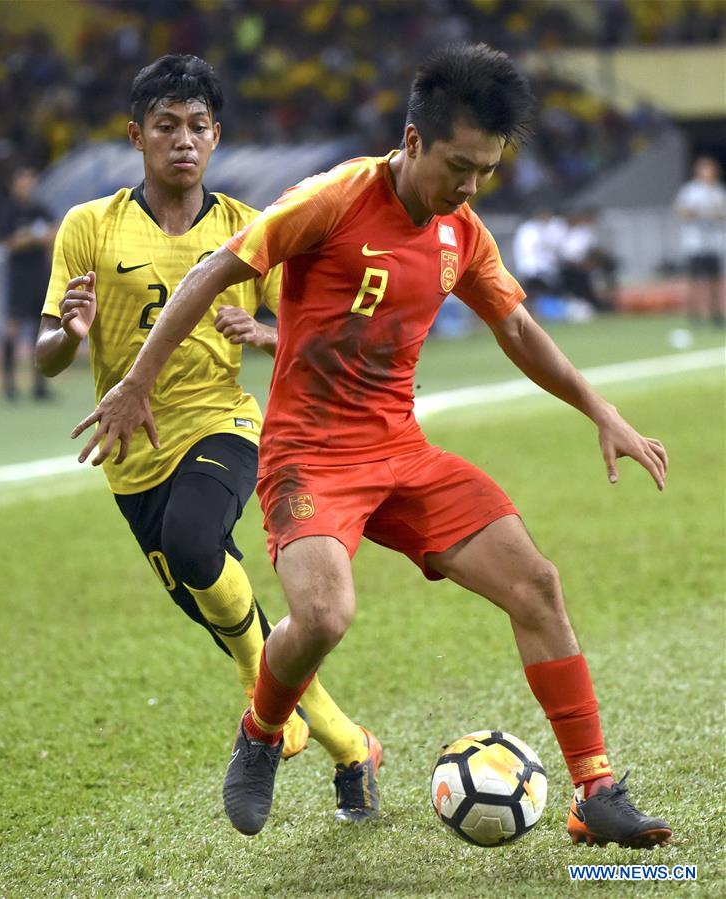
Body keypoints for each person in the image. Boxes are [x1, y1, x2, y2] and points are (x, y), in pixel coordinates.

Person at [72, 44, 671, 849]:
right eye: (458, 165)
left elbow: (518, 326)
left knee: (536, 584)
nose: (467, 187)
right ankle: (260, 730)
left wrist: (599, 408)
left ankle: (594, 790)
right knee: (322, 614)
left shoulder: (461, 227)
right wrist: (138, 380)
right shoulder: (332, 197)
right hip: (307, 457)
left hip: (401, 451)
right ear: (414, 140)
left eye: (486, 171)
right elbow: (214, 270)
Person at [35, 54, 380, 824]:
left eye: (197, 127)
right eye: (166, 126)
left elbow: (302, 332)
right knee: (249, 636)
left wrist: (259, 331)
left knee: (198, 542)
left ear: (217, 136)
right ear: (136, 136)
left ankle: (265, 731)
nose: (182, 140)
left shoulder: (246, 229)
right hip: (130, 455)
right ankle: (352, 749)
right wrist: (71, 333)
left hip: (223, 422)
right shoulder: (87, 226)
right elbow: (47, 350)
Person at [2, 166, 57, 401]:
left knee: (40, 330)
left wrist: (40, 238)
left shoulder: (39, 208)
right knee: (12, 329)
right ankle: (9, 386)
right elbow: (10, 243)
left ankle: (39, 386)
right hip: (19, 277)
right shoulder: (9, 210)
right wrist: (35, 239)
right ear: (14, 185)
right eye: (22, 181)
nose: (27, 185)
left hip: (39, 275)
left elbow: (54, 233)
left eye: (29, 180)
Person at [673, 155, 726, 327]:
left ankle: (715, 314)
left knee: (714, 280)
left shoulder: (718, 191)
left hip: (714, 242)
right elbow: (681, 211)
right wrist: (696, 213)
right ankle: (694, 315)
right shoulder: (690, 190)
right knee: (695, 280)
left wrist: (716, 215)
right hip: (696, 243)